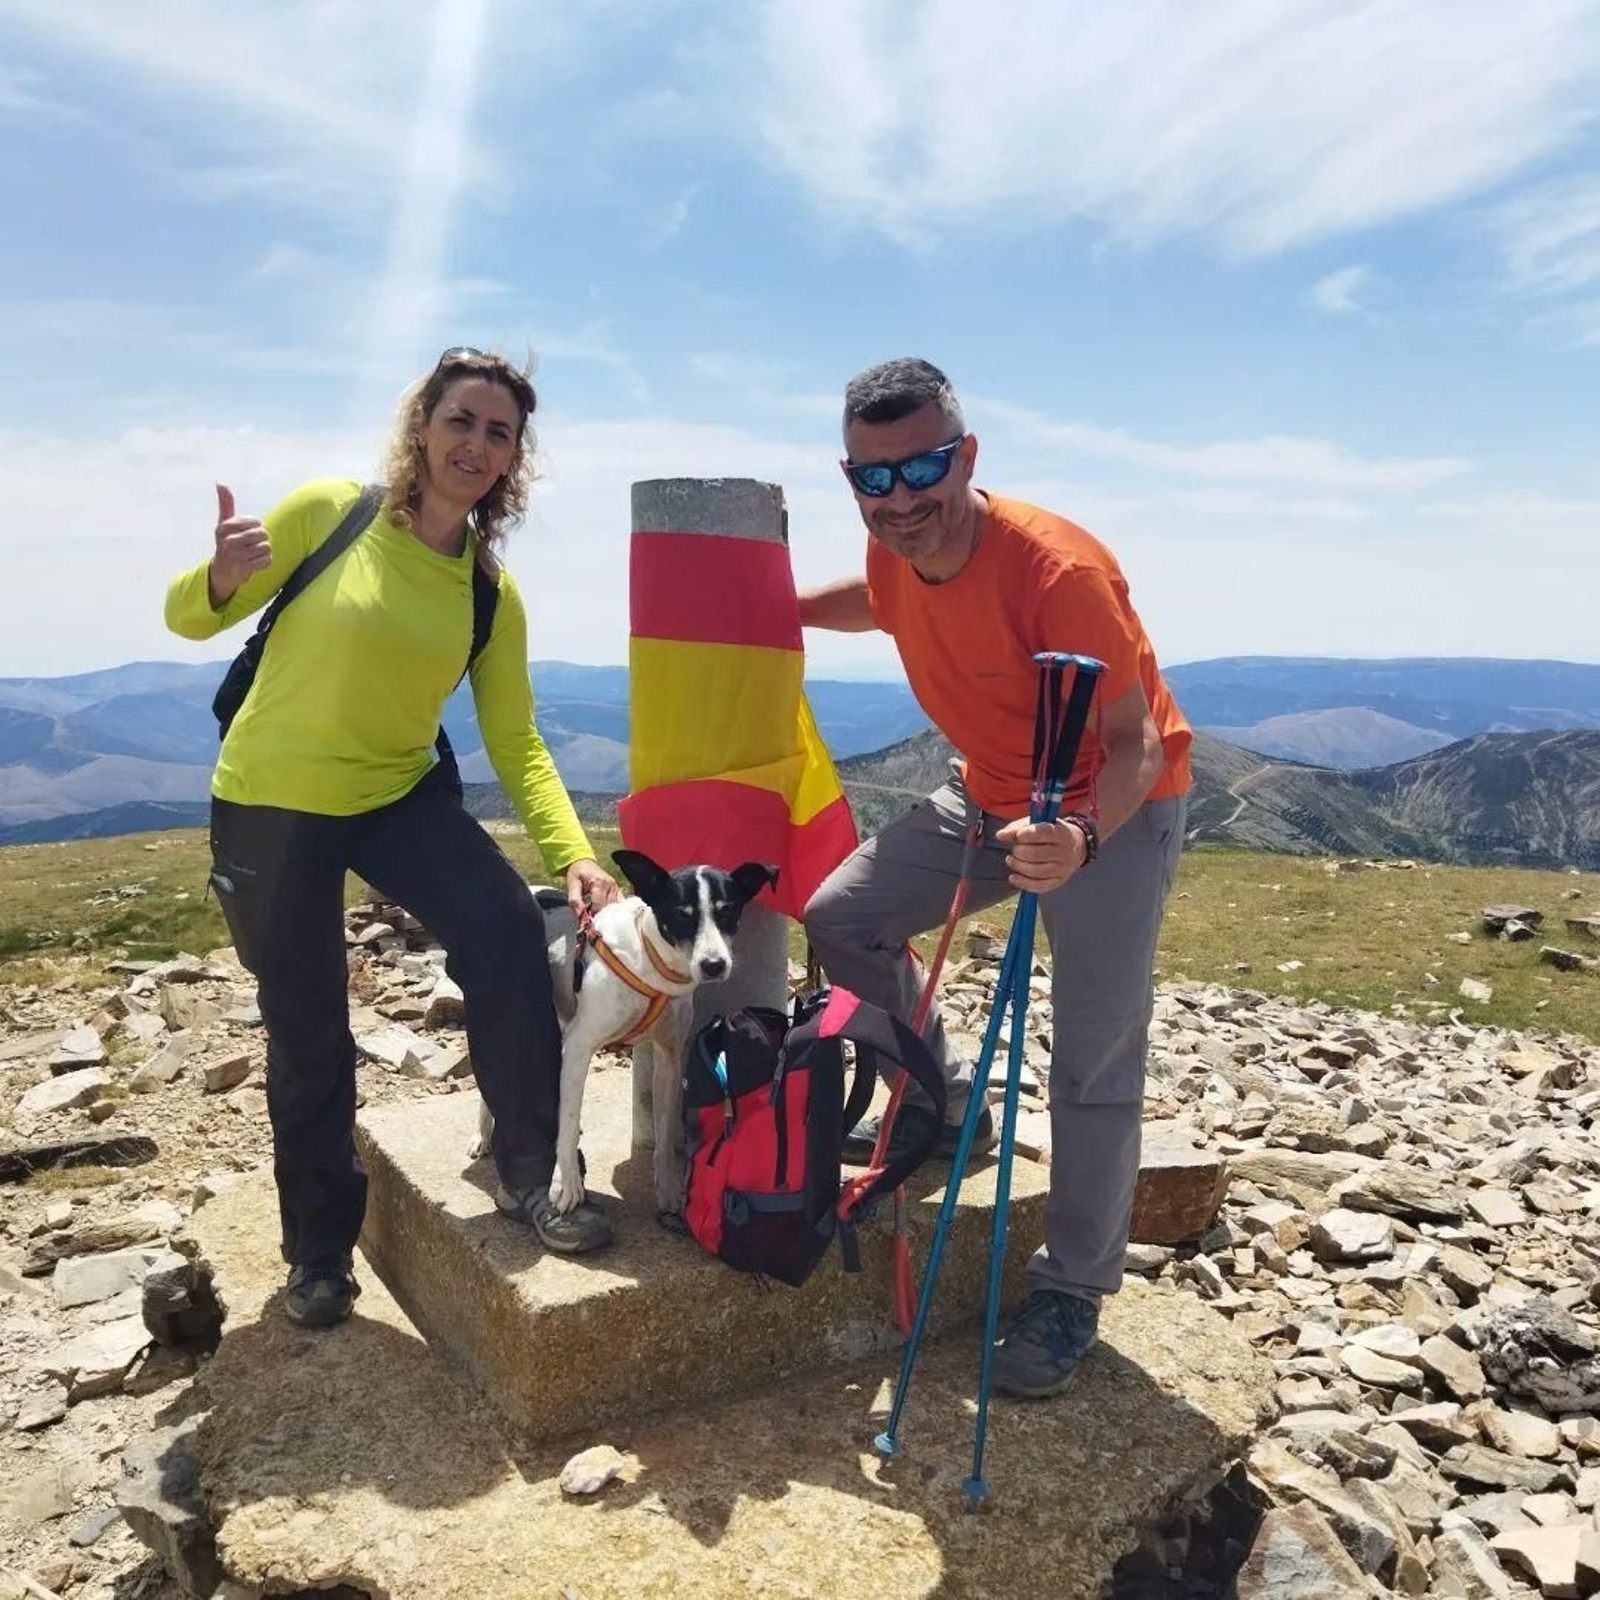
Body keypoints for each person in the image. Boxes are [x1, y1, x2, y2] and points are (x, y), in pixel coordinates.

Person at [165, 348, 621, 1328]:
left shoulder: (488, 595)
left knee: (504, 924)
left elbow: (518, 740)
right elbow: (190, 617)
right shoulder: (331, 513)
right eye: (461, 420)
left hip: (394, 793)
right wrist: (218, 574)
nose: (476, 443)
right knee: (310, 1023)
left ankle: (536, 1176)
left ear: (511, 460)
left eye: (498, 432)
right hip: (271, 801)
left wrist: (572, 853)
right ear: (422, 424)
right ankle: (321, 1253)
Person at [800, 357, 1192, 1398]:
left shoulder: (1055, 572)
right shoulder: (896, 547)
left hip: (1108, 808)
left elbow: (1132, 743)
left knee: (1092, 1058)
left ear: (964, 455)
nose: (898, 498)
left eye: (920, 467)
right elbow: (877, 598)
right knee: (844, 914)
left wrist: (1079, 840)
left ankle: (1071, 1288)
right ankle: (940, 1092)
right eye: (870, 478)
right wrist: (778, 609)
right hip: (983, 794)